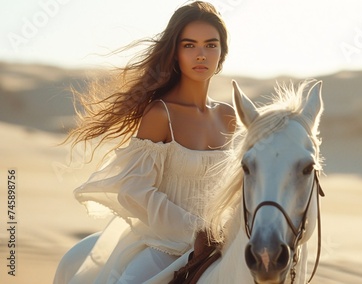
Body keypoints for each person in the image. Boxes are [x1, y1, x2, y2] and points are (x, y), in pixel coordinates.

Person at [53, 1, 235, 283]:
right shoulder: (161, 114)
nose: (201, 55)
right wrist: (195, 231)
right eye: (190, 45)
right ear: (175, 53)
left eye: (211, 45)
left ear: (222, 52)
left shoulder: (229, 116)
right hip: (165, 244)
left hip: (223, 244)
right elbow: (134, 189)